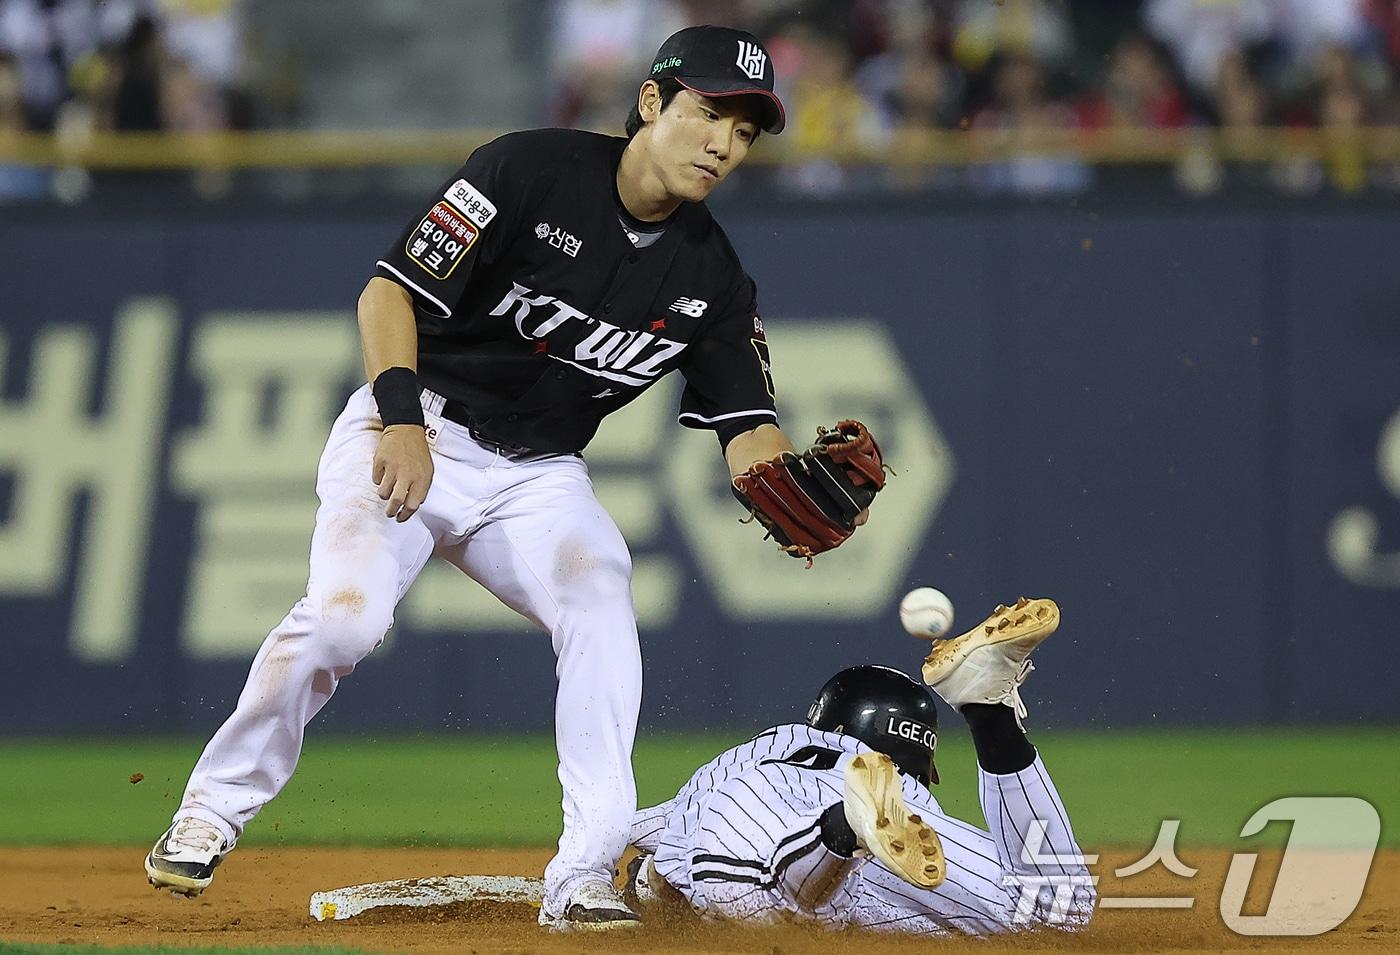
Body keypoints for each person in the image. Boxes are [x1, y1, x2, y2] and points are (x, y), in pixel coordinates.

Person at [144, 24, 813, 932]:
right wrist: (402, 416)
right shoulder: (526, 170)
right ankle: (210, 810)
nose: (722, 144)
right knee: (345, 620)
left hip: (538, 478)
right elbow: (388, 293)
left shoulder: (715, 278)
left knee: (600, 597)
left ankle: (583, 875)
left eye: (743, 130)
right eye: (707, 112)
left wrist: (794, 485)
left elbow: (749, 430)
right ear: (651, 102)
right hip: (414, 428)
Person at [623, 597, 1098, 934]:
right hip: (863, 809)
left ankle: (841, 832)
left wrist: (612, 874)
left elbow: (636, 832)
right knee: (1055, 908)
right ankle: (986, 713)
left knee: (745, 893)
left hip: (738, 813)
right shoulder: (904, 791)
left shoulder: (754, 753)